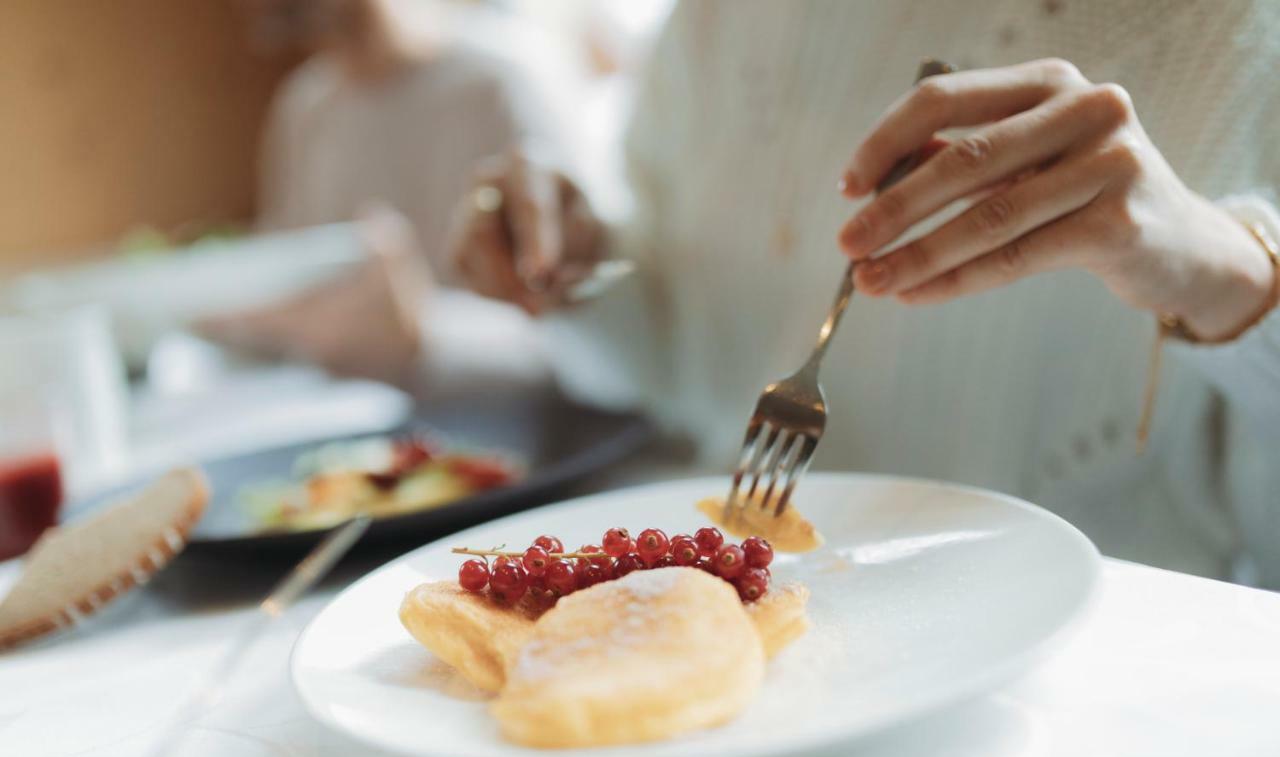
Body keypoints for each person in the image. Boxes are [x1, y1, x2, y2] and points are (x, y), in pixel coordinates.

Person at [448, 1, 1280, 584]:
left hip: (1095, 697)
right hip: (751, 640)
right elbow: (672, 359)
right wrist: (574, 271)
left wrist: (1238, 285)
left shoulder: (1246, 40)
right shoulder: (714, 17)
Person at [202, 0, 561, 387]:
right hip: (347, 418)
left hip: (502, 427)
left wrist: (425, 336)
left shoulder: (503, 80)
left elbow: (578, 339)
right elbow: (283, 277)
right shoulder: (307, 105)